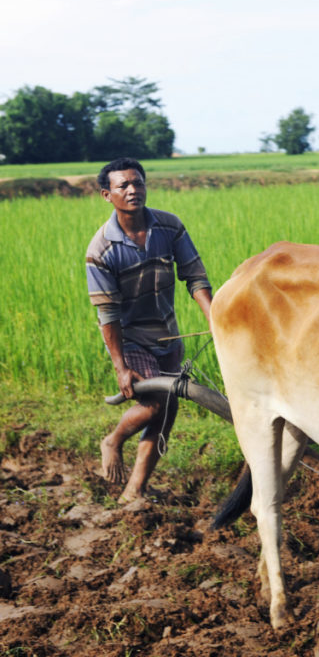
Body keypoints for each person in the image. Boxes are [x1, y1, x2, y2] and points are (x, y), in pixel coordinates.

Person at [86, 157, 213, 504]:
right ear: (106, 195)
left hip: (168, 335)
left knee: (167, 413)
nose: (132, 190)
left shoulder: (169, 227)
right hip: (131, 339)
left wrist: (213, 319)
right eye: (123, 185)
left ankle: (135, 489)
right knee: (156, 404)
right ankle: (113, 440)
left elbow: (194, 275)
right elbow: (107, 313)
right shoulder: (101, 251)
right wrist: (120, 366)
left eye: (137, 182)